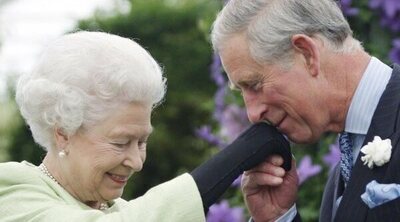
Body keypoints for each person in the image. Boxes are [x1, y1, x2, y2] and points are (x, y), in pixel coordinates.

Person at [0, 31, 293, 221]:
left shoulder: (121, 211)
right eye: (120, 142)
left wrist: (275, 218)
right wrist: (242, 153)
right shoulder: (12, 193)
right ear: (63, 133)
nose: (138, 162)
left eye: (142, 142)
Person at [211, 0, 400, 221]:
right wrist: (278, 217)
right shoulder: (343, 171)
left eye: (255, 85)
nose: (253, 114)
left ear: (307, 54)